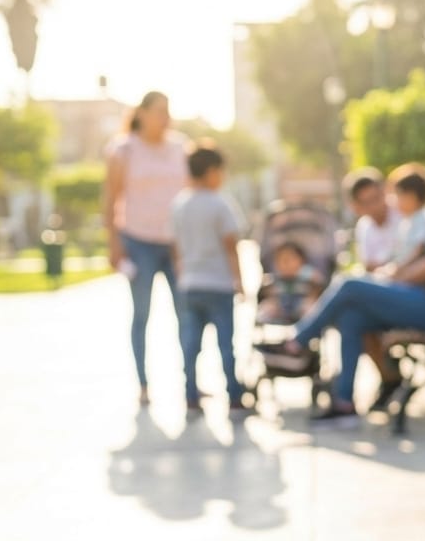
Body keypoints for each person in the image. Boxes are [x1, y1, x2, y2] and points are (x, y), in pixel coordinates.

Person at [267, 150, 425, 426]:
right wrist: (390, 278)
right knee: (352, 317)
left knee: (350, 285)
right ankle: (344, 402)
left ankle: (296, 342)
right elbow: (422, 258)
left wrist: (389, 282)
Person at [102, 91, 189, 405]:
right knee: (142, 314)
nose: (166, 118)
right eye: (160, 111)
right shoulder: (123, 150)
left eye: (168, 111)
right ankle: (143, 384)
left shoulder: (180, 147)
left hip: (175, 244)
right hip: (137, 241)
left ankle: (189, 382)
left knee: (186, 313)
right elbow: (111, 199)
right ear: (142, 113)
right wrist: (113, 243)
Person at [171, 143, 245, 413]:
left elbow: (176, 246)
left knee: (191, 345)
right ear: (212, 171)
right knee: (226, 343)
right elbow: (231, 246)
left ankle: (190, 395)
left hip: (190, 284)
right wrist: (240, 281)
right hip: (218, 284)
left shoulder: (180, 204)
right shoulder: (220, 203)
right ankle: (234, 395)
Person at [345, 167, 402, 272]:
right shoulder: (363, 225)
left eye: (376, 198)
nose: (374, 206)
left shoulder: (403, 211)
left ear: (384, 192)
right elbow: (368, 265)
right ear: (357, 206)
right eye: (367, 203)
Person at [386, 163, 425, 265]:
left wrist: (395, 271)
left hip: (412, 277)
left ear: (411, 196)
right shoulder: (408, 219)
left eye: (398, 195)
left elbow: (419, 250)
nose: (394, 200)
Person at [255, 240, 325, 324]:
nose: (286, 264)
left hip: (301, 305)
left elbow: (320, 289)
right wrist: (269, 292)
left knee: (311, 310)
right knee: (265, 309)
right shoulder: (274, 277)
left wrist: (314, 287)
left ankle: (310, 330)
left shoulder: (308, 275)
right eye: (282, 260)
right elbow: (264, 293)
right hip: (280, 307)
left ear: (301, 260)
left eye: (290, 260)